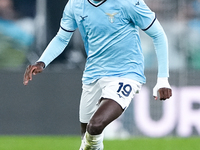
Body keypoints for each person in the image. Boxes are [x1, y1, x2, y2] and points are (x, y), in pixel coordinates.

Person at [23, 0, 172, 149]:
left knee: (95, 125)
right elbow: (62, 38)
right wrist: (42, 62)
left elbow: (158, 35)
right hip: (93, 75)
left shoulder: (128, 3)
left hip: (126, 73)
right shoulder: (75, 4)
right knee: (87, 137)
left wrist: (163, 79)